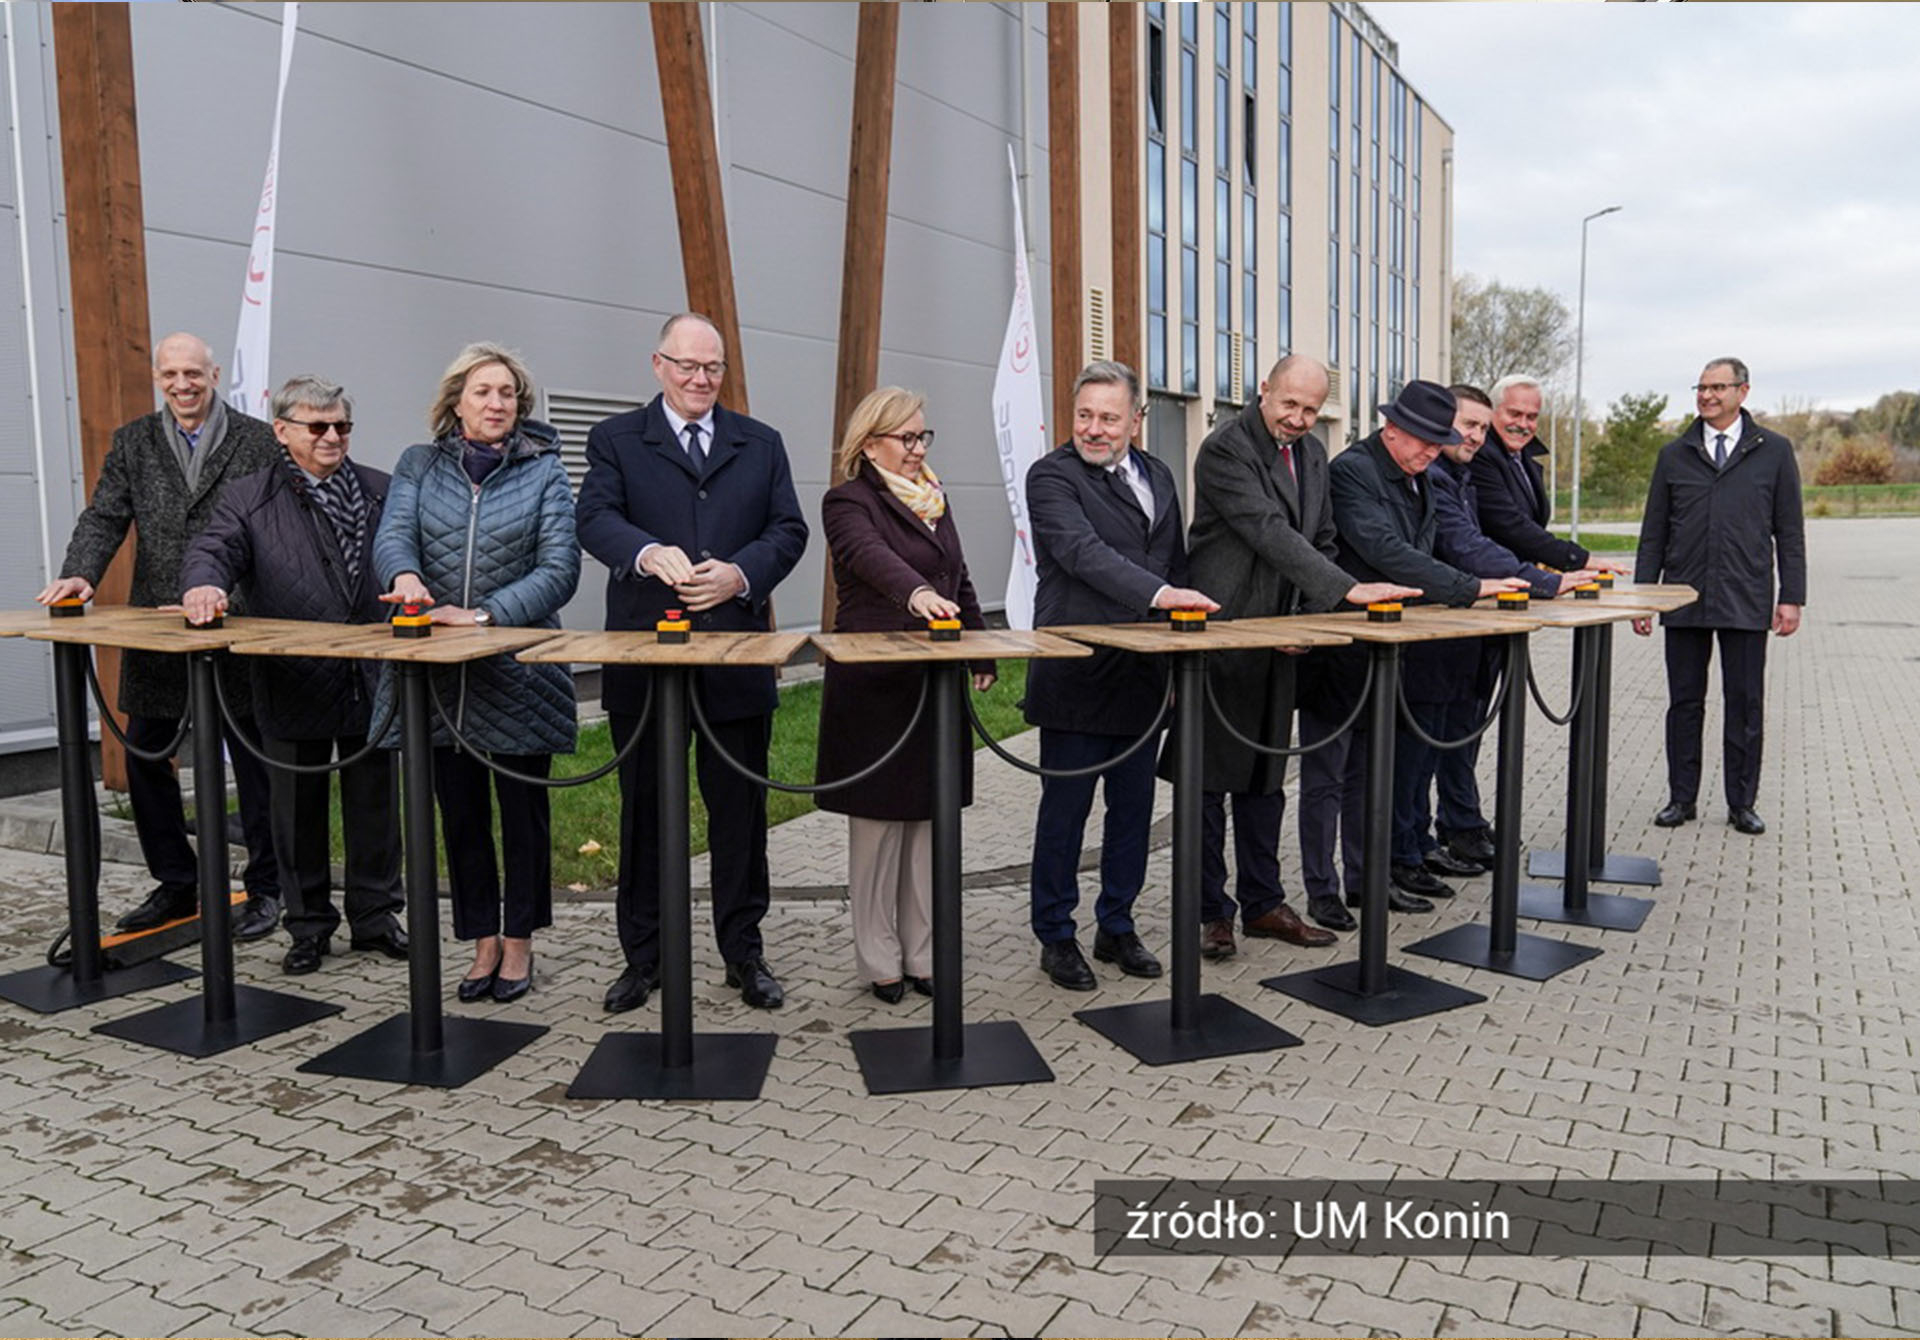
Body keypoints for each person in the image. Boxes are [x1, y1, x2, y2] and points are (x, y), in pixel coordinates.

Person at [577, 313, 808, 1012]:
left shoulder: (760, 443)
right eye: (686, 366)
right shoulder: (616, 438)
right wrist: (645, 553)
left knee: (739, 814)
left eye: (712, 368)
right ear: (658, 365)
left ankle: (744, 953)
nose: (700, 379)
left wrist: (740, 575)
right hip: (647, 659)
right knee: (646, 812)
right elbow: (593, 517)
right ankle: (643, 959)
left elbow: (789, 529)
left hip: (735, 657)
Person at [35, 332, 283, 940]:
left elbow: (277, 529)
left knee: (255, 763)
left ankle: (269, 887)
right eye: (170, 374)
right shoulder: (135, 441)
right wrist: (80, 574)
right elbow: (104, 516)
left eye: (193, 373)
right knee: (145, 754)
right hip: (160, 627)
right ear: (157, 377)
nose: (182, 385)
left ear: (215, 374)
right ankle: (177, 883)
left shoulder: (256, 440)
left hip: (238, 624)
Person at [1179, 354, 1415, 955]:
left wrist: (1321, 617)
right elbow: (1268, 531)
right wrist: (1347, 589)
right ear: (1264, 391)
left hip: (1284, 635)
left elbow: (1323, 538)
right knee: (1209, 782)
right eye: (1289, 404)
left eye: (1311, 409)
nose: (1299, 418)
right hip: (1223, 631)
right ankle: (1211, 912)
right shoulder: (1226, 449)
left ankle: (1263, 904)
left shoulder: (1312, 453)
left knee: (1265, 779)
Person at [373, 343, 580, 1002]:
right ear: (456, 400)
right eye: (484, 391)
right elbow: (393, 535)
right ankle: (481, 941)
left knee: (523, 817)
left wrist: (486, 615)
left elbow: (560, 568)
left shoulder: (544, 470)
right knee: (459, 817)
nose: (497, 404)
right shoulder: (418, 464)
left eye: (508, 394)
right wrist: (404, 577)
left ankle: (518, 944)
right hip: (440, 680)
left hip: (519, 674)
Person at [179, 375, 406, 974]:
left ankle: (377, 917)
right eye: (318, 426)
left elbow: (410, 554)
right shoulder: (248, 497)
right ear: (282, 431)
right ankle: (307, 927)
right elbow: (213, 549)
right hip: (292, 678)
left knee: (376, 803)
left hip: (373, 674)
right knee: (296, 810)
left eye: (342, 426)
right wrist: (204, 583)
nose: (333, 437)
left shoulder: (385, 489)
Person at [1303, 380, 1528, 922]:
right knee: (1326, 779)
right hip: (1341, 644)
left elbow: (1424, 547)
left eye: (1438, 441)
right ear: (1393, 430)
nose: (1433, 451)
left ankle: (1366, 880)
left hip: (1390, 647)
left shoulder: (1420, 476)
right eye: (1424, 440)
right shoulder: (1354, 471)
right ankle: (1322, 889)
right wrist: (1468, 587)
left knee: (1370, 775)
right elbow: (1386, 549)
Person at [1023, 361, 1215, 991]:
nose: (1095, 429)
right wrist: (1163, 596)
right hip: (1075, 673)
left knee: (1132, 811)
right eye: (1085, 415)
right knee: (1065, 815)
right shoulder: (1051, 475)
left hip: (1142, 677)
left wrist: (1179, 636)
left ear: (1136, 420)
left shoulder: (1158, 473)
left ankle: (1117, 924)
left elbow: (1175, 558)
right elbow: (1082, 553)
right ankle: (1056, 935)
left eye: (1109, 417)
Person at [815, 388, 994, 1003]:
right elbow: (869, 558)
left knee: (927, 825)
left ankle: (923, 954)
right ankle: (878, 959)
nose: (918, 449)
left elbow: (960, 576)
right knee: (878, 832)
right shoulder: (847, 501)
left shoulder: (935, 500)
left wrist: (981, 646)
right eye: (907, 439)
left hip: (934, 685)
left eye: (924, 437)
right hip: (876, 688)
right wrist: (917, 596)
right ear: (871, 444)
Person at [1390, 384, 1595, 893]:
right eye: (1472, 423)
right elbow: (1469, 542)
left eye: (1482, 427)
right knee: (1420, 751)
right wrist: (1550, 575)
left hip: (1474, 620)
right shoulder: (1445, 472)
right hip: (1435, 625)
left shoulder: (1460, 472)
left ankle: (1429, 843)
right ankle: (1410, 851)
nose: (1476, 435)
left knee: (1451, 737)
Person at [1632, 357, 1806, 836]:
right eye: (1701, 387)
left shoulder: (1773, 451)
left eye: (1718, 387)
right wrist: (1645, 595)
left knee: (1745, 703)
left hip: (1746, 596)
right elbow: (1654, 532)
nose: (1707, 396)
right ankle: (1681, 798)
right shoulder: (1674, 454)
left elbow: (1789, 531)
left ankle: (1741, 803)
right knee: (1684, 703)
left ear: (1742, 392)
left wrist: (1791, 596)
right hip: (1682, 596)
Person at [1460, 372, 1626, 867]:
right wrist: (1577, 560)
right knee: (1462, 722)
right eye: (1514, 414)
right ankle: (1458, 826)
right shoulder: (1484, 459)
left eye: (1532, 416)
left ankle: (1463, 821)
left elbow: (1530, 524)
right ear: (1494, 411)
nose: (1523, 424)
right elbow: (1508, 527)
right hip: (1481, 600)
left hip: (1512, 600)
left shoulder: (1525, 459)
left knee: (1474, 720)